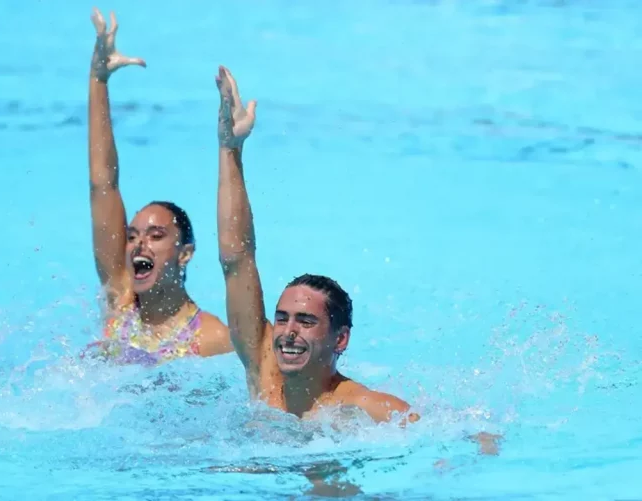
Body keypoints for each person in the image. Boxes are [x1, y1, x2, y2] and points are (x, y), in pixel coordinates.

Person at [214, 65, 502, 455]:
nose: (288, 332)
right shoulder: (262, 361)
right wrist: (230, 149)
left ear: (341, 338)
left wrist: (468, 453)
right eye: (282, 318)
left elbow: (462, 434)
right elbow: (236, 259)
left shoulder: (358, 407)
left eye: (306, 321)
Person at [83, 9, 232, 366]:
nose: (138, 244)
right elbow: (102, 184)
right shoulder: (119, 300)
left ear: (185, 253)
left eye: (155, 235)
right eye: (132, 236)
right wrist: (98, 80)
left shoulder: (211, 339)